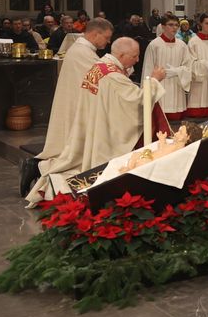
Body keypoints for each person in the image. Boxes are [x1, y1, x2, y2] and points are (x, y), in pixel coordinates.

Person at [28, 37, 167, 203]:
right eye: (135, 56)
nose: (138, 60)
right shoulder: (113, 76)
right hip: (103, 128)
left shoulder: (101, 65)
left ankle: (35, 167)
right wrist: (154, 80)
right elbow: (138, 100)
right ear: (122, 55)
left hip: (94, 119)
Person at [30, 18, 113, 184]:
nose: (108, 41)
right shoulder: (82, 52)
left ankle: (34, 166)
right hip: (77, 104)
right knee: (70, 153)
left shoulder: (82, 49)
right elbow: (102, 77)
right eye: (107, 37)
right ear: (96, 34)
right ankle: (34, 167)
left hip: (77, 100)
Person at [142, 14, 193, 122]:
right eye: (170, 25)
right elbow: (148, 68)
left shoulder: (182, 45)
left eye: (176, 25)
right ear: (163, 26)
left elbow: (188, 66)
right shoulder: (154, 45)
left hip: (176, 85)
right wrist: (146, 91)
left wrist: (177, 71)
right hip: (160, 85)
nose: (174, 28)